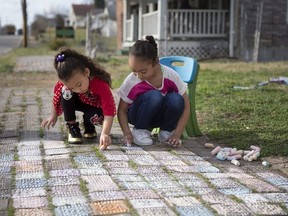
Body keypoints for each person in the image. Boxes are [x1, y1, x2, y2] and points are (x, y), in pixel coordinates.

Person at [117, 35, 190, 148]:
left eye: (143, 71)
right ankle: (140, 130)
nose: (138, 75)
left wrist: (177, 134)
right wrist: (127, 133)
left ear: (155, 62)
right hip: (137, 115)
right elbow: (122, 109)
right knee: (155, 96)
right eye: (134, 71)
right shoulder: (132, 80)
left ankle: (166, 131)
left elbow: (186, 106)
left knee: (176, 99)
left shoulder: (171, 76)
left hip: (159, 117)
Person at [41, 48, 116, 150]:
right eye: (73, 88)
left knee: (97, 117)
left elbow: (109, 112)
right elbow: (56, 96)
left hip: (93, 106)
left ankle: (88, 124)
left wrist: (105, 133)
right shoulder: (66, 84)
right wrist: (53, 115)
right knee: (65, 91)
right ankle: (72, 127)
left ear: (86, 72)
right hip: (76, 102)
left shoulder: (101, 84)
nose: (78, 90)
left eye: (79, 84)